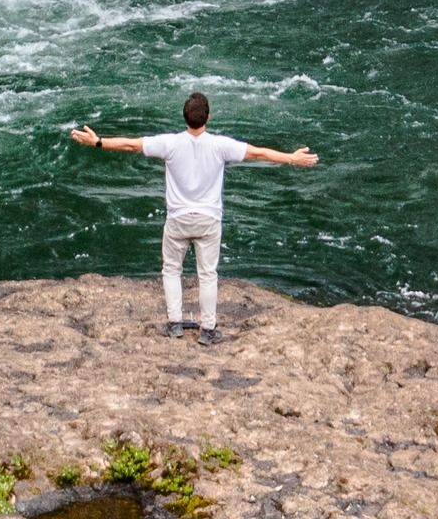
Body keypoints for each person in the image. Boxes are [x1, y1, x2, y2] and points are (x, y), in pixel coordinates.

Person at [69, 92, 318, 345]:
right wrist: (292, 158)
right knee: (208, 274)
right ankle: (208, 330)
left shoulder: (170, 143)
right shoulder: (220, 145)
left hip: (177, 220)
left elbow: (131, 145)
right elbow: (259, 154)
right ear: (208, 117)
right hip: (208, 220)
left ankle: (175, 324)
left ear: (184, 117)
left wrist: (98, 142)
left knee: (171, 270)